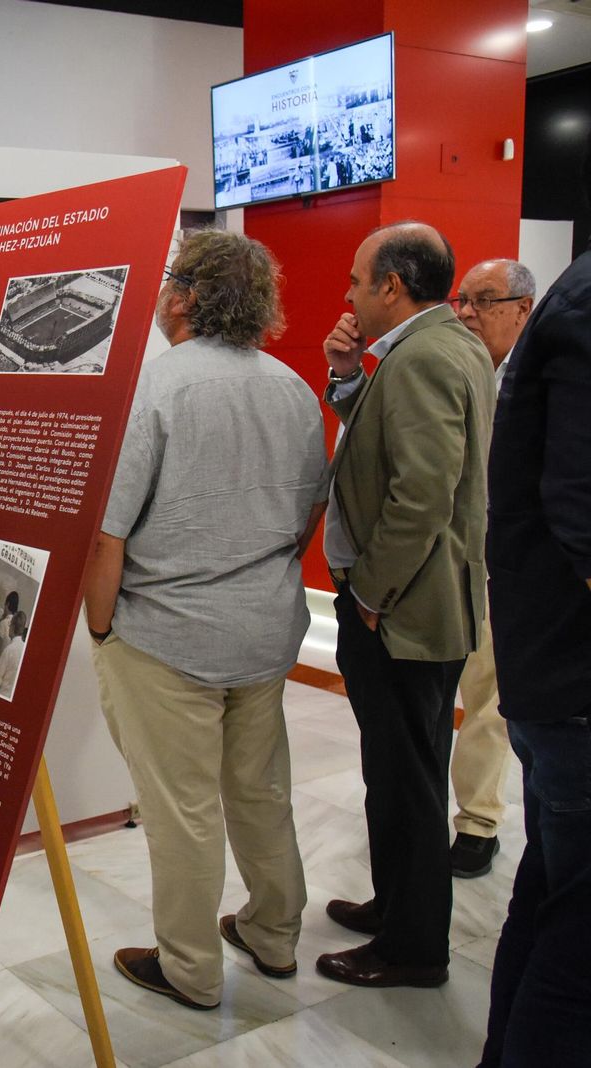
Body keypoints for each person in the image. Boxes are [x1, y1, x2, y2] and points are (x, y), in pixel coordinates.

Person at [83, 230, 326, 1010]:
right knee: (261, 791)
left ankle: (189, 969)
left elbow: (107, 534)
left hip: (167, 637)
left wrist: (100, 630)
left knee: (181, 810)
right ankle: (274, 933)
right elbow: (306, 516)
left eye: (165, 286)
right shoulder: (292, 388)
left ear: (184, 297)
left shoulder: (155, 390)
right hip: (262, 630)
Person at [315, 221, 493, 988]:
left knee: (410, 782)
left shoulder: (424, 357)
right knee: (396, 772)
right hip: (411, 609)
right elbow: (387, 445)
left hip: (406, 614)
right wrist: (349, 374)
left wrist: (372, 594)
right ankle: (396, 908)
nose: (350, 295)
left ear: (392, 286)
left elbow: (420, 494)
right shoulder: (434, 350)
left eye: (358, 281)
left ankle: (413, 948)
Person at [479, 243, 591, 1066]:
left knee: (554, 894)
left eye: (483, 300)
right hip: (571, 679)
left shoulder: (570, 299)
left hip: (553, 669)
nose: (469, 313)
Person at [448, 258, 535, 879]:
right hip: (454, 556)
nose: (468, 312)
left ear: (522, 308)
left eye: (484, 300)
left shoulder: (540, 378)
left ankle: (478, 822)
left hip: (512, 564)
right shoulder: (458, 367)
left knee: (488, 695)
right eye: (462, 300)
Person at [0, 610, 27, 698]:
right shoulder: (24, 650)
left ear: (13, 627)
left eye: (10, 625)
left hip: (2, 694)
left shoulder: (9, 650)